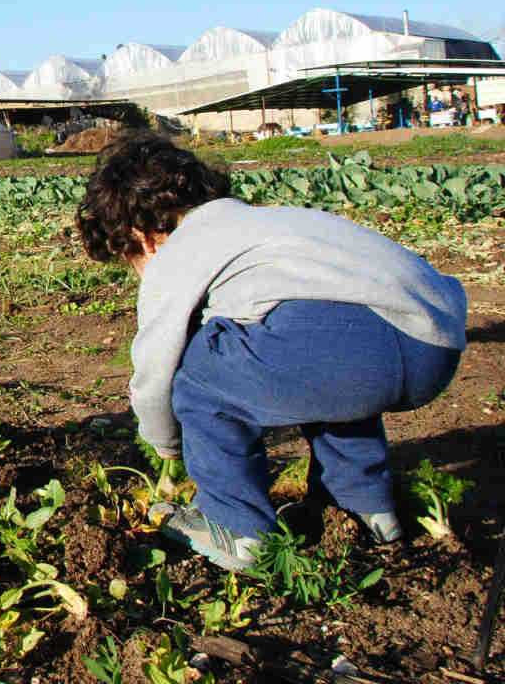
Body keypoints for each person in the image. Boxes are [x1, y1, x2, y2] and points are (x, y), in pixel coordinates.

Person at [75, 131, 467, 571]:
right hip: (432, 341)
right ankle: (361, 508)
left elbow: (157, 364)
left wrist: (165, 443)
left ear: (139, 236)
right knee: (307, 366)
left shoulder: (180, 249)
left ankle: (234, 526)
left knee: (202, 368)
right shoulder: (267, 223)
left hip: (369, 346)